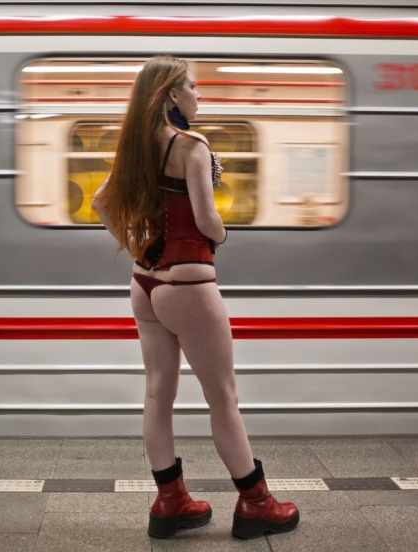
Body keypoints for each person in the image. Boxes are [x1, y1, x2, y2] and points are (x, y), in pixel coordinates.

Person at [91, 56, 299, 540]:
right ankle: (256, 504)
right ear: (170, 95)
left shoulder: (136, 149)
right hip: (188, 283)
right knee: (222, 397)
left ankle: (171, 502)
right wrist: (222, 234)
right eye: (193, 87)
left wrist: (137, 242)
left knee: (156, 393)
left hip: (145, 283)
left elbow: (101, 203)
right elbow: (206, 221)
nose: (199, 96)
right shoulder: (192, 145)